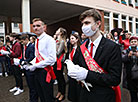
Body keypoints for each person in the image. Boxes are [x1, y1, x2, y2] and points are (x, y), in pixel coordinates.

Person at [65, 9, 122, 102]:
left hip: (103, 97)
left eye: (87, 23)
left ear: (98, 23)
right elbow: (76, 67)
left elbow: (114, 79)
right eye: (83, 24)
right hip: (84, 95)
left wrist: (87, 75)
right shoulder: (81, 48)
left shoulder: (112, 47)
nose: (84, 27)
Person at [25, 18, 56, 102]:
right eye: (34, 26)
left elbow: (52, 59)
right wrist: (29, 64)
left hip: (46, 71)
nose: (36, 28)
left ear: (44, 27)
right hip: (37, 71)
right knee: (40, 94)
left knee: (47, 96)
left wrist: (35, 65)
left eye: (38, 26)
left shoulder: (49, 39)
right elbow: (37, 56)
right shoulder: (37, 40)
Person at [20, 34, 38, 102]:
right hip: (26, 68)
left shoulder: (31, 46)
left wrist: (24, 62)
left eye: (22, 41)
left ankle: (34, 100)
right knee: (30, 86)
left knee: (32, 86)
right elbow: (24, 56)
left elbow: (31, 57)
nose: (22, 43)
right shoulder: (25, 47)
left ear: (26, 39)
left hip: (30, 68)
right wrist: (21, 61)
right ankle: (31, 99)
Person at [122, 36, 138, 102]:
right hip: (130, 76)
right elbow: (122, 59)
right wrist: (128, 56)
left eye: (135, 41)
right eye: (132, 42)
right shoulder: (125, 51)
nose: (133, 43)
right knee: (133, 95)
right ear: (129, 43)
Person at [53, 27, 67, 102]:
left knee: (61, 78)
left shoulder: (62, 41)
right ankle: (59, 91)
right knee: (58, 78)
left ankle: (63, 93)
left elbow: (58, 53)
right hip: (55, 61)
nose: (56, 31)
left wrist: (52, 50)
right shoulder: (57, 40)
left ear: (61, 33)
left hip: (59, 62)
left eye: (58, 30)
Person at [67, 33, 81, 102]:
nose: (71, 40)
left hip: (77, 72)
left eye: (72, 38)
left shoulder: (80, 49)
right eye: (70, 39)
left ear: (77, 39)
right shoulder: (71, 49)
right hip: (71, 73)